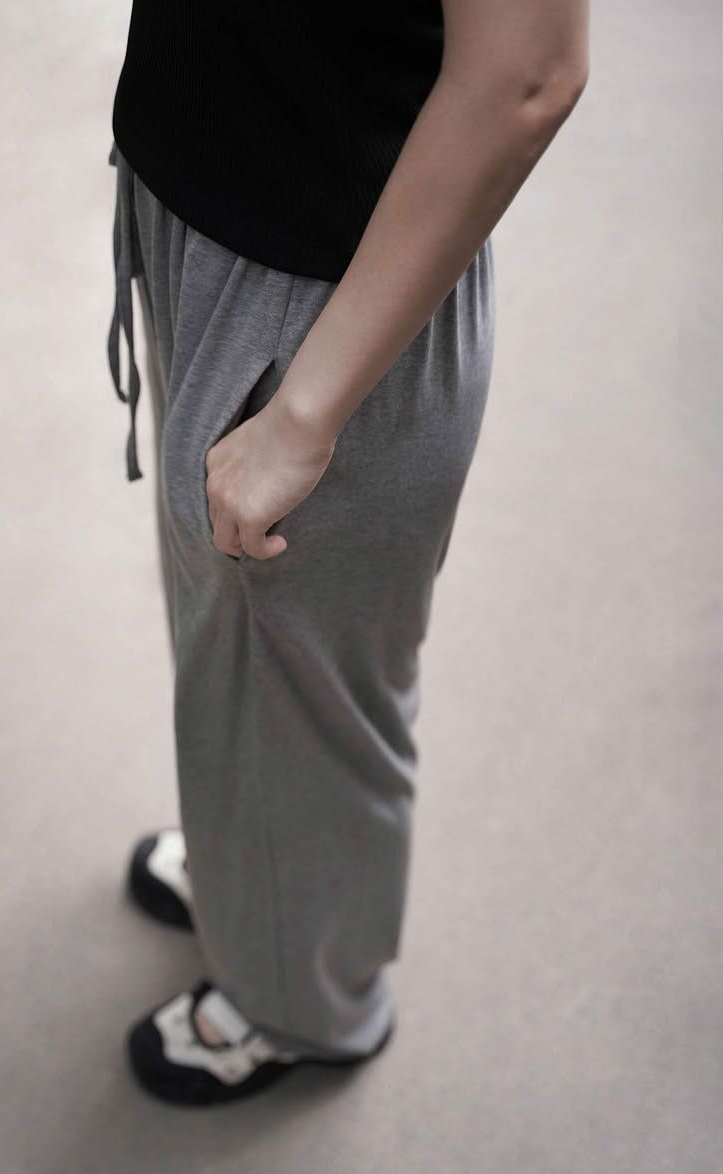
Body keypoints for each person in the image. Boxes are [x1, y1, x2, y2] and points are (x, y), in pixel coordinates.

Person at [106, 0, 590, 1106]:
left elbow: (530, 74)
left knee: (307, 684)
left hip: (329, 292)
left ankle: (304, 1003)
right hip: (212, 202)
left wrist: (304, 414)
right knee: (240, 650)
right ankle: (254, 886)